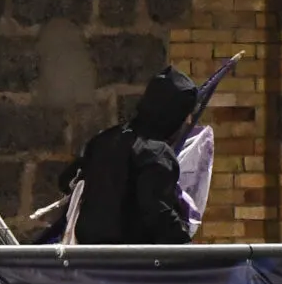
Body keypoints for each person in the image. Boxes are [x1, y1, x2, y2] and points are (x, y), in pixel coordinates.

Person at [56, 65, 198, 245]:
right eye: (185, 113)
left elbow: (67, 181)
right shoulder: (156, 153)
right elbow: (158, 213)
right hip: (133, 264)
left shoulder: (105, 139)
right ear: (172, 113)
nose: (188, 121)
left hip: (89, 261)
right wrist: (188, 249)